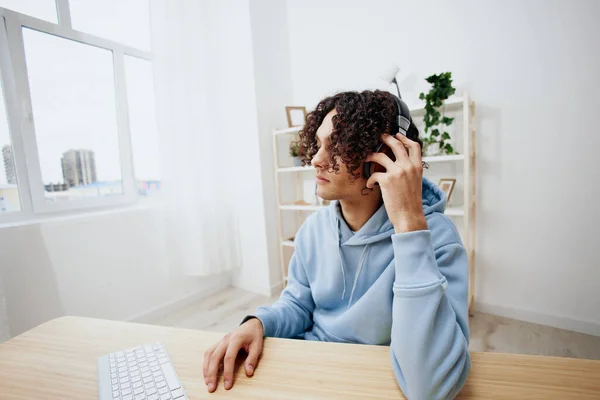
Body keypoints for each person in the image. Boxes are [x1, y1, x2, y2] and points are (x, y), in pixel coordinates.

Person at [203, 90, 470, 399]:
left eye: (337, 147)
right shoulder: (312, 230)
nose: (316, 159)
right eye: (318, 144)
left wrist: (409, 226)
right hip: (311, 370)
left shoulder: (435, 237)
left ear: (385, 156)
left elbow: (432, 387)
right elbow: (299, 304)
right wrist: (259, 323)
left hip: (376, 381)